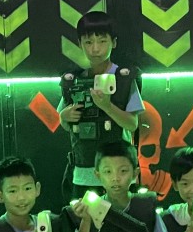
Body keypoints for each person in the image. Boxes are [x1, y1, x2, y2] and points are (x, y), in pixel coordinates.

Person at [58, 11, 145, 197]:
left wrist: (107, 106)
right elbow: (65, 123)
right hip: (83, 173)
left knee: (120, 215)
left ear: (114, 42)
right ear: (80, 44)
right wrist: (64, 117)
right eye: (88, 42)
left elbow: (132, 124)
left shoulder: (124, 78)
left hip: (118, 175)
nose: (95, 49)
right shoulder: (74, 81)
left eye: (102, 41)